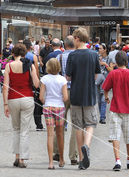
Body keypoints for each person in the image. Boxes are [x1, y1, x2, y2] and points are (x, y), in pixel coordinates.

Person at [66, 28, 100, 170]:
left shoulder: (72, 56)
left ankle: (81, 159)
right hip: (90, 94)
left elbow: (68, 77)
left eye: (74, 38)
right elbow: (96, 75)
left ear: (78, 39)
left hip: (75, 94)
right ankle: (87, 145)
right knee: (91, 124)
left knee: (78, 126)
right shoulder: (94, 54)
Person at [102, 50, 129, 171]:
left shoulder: (113, 74)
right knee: (128, 136)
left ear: (116, 62)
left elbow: (106, 88)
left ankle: (117, 160)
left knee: (115, 136)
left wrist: (107, 97)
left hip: (115, 108)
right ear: (126, 61)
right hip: (128, 110)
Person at [3, 43, 39, 168]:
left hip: (13, 98)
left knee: (16, 129)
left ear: (13, 54)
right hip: (27, 98)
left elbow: (5, 87)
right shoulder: (29, 65)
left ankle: (16, 157)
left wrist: (5, 104)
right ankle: (23, 159)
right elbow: (36, 83)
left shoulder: (9, 66)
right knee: (25, 130)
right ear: (24, 53)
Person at [53, 35, 78, 165]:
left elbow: (55, 74)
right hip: (74, 91)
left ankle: (57, 152)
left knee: (59, 122)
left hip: (61, 93)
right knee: (75, 124)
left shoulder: (59, 57)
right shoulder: (77, 57)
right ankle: (73, 155)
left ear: (65, 45)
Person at [40, 58, 69, 169]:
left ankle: (51, 162)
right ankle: (61, 159)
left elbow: (41, 97)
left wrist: (46, 101)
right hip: (59, 107)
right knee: (60, 134)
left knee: (50, 135)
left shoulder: (45, 79)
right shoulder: (62, 79)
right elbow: (65, 97)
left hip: (48, 106)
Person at [97, 43, 110, 124]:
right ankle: (101, 115)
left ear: (105, 50)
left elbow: (111, 70)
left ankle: (102, 117)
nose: (99, 50)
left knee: (103, 100)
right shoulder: (97, 57)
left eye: (101, 48)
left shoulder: (109, 59)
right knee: (98, 100)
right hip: (97, 81)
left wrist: (105, 64)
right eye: (99, 48)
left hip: (106, 81)